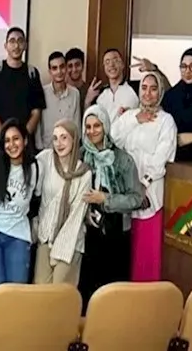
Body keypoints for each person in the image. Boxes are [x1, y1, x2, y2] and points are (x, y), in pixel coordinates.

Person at [111, 72, 177, 281]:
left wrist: (143, 183)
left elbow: (162, 158)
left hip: (149, 191)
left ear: (160, 92)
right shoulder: (130, 116)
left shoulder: (166, 121)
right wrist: (135, 120)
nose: (148, 93)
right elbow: (113, 139)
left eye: (153, 88)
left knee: (146, 254)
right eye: (144, 88)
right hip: (125, 191)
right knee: (125, 255)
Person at [77, 105, 144, 307]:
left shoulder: (123, 159)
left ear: (105, 126)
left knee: (114, 292)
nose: (92, 131)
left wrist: (105, 199)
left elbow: (136, 199)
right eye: (88, 127)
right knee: (88, 291)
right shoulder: (81, 156)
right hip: (88, 233)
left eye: (97, 125)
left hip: (116, 232)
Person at [134, 48, 192, 164]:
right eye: (183, 66)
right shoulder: (171, 97)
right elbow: (153, 117)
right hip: (170, 165)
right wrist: (132, 115)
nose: (187, 71)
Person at [0, 119, 40, 287]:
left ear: (25, 140)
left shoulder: (35, 167)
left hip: (18, 232)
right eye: (7, 140)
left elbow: (38, 197)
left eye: (16, 139)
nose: (11, 145)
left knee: (17, 288)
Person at [33, 119, 92, 285]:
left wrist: (57, 251)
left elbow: (77, 215)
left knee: (61, 293)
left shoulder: (84, 173)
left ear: (74, 139)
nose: (59, 143)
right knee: (40, 292)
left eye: (64, 137)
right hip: (45, 236)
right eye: (55, 138)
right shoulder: (45, 159)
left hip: (70, 241)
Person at [0, 27, 45, 150]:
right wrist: (5, 137)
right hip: (0, 142)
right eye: (12, 41)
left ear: (25, 45)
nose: (16, 45)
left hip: (25, 143)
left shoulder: (32, 73)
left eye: (20, 41)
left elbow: (36, 112)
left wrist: (21, 138)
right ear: (5, 46)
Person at [36, 52, 81, 150]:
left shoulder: (75, 93)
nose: (59, 71)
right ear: (50, 71)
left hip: (68, 150)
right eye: (54, 68)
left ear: (66, 68)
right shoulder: (42, 93)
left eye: (62, 67)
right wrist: (40, 149)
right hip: (47, 149)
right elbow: (38, 125)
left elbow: (77, 126)